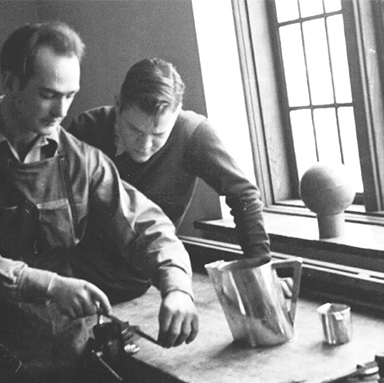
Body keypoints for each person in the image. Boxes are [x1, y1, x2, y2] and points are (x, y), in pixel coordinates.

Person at [0, 23, 198, 383]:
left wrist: (177, 287)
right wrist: (50, 286)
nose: (62, 110)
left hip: (55, 352)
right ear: (10, 82)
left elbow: (145, 225)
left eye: (70, 95)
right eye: (48, 94)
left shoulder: (81, 159)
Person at [67, 58, 271, 299]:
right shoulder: (85, 128)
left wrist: (261, 270)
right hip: (73, 274)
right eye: (135, 130)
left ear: (177, 113)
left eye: (158, 134)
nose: (144, 145)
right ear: (118, 105)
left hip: (139, 277)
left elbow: (243, 194)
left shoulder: (193, 133)